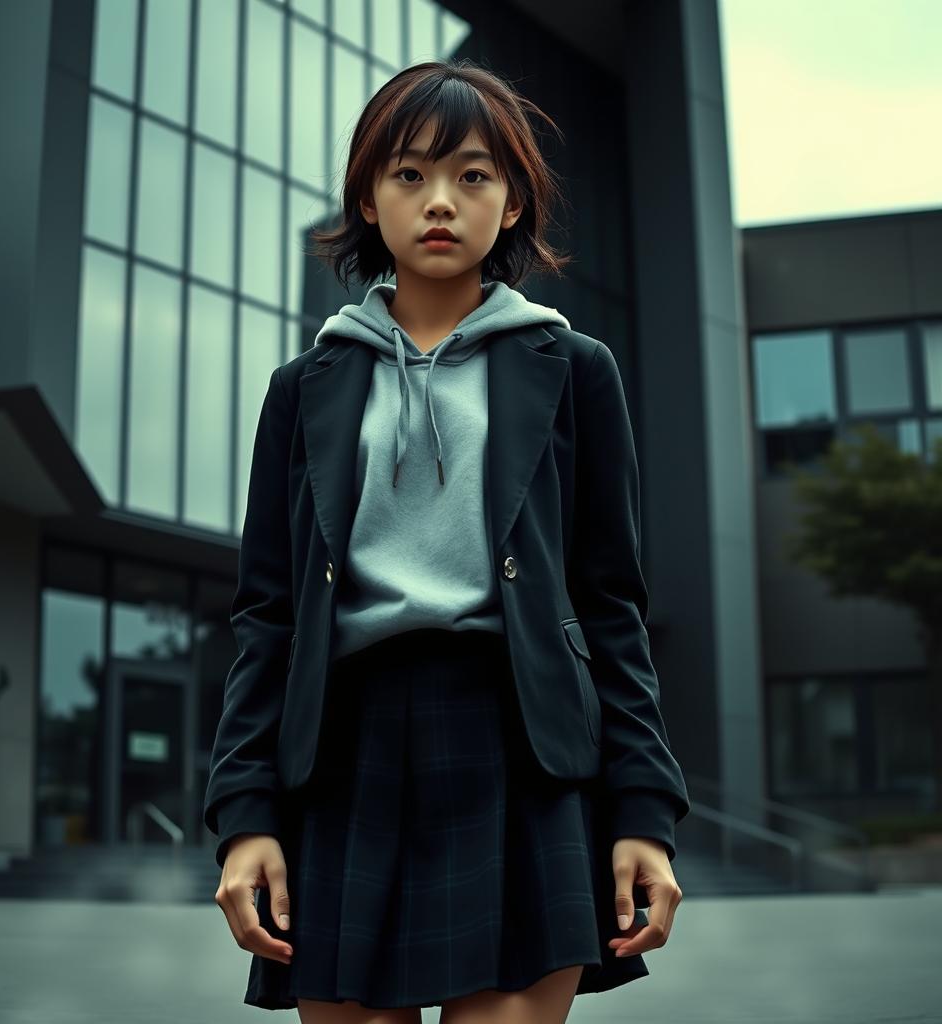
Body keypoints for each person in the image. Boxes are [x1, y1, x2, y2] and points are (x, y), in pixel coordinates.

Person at [204, 58, 690, 1023]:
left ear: (510, 204)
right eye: (409, 174)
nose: (440, 201)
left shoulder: (575, 370)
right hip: (343, 750)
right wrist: (243, 812)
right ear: (369, 201)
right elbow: (266, 614)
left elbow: (608, 607)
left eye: (472, 175)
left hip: (522, 746)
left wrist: (645, 811)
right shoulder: (304, 388)